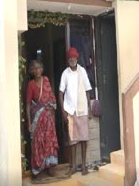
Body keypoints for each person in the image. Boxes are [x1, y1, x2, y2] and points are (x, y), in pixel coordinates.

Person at [59, 47, 92, 176]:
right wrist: (63, 111)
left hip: (82, 110)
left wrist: (88, 108)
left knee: (84, 139)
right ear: (68, 59)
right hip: (70, 111)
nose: (72, 59)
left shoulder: (82, 71)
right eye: (70, 57)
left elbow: (88, 90)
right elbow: (60, 93)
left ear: (77, 58)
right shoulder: (65, 73)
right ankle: (73, 167)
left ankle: (83, 166)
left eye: (74, 57)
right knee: (72, 140)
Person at [26, 60, 59, 178]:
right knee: (38, 142)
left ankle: (50, 167)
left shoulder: (46, 81)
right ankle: (38, 169)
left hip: (48, 117)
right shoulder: (30, 85)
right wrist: (29, 122)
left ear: (42, 69)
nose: (37, 70)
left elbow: (51, 97)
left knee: (49, 141)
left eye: (39, 67)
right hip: (37, 118)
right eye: (34, 68)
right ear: (31, 71)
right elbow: (29, 104)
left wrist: (52, 113)